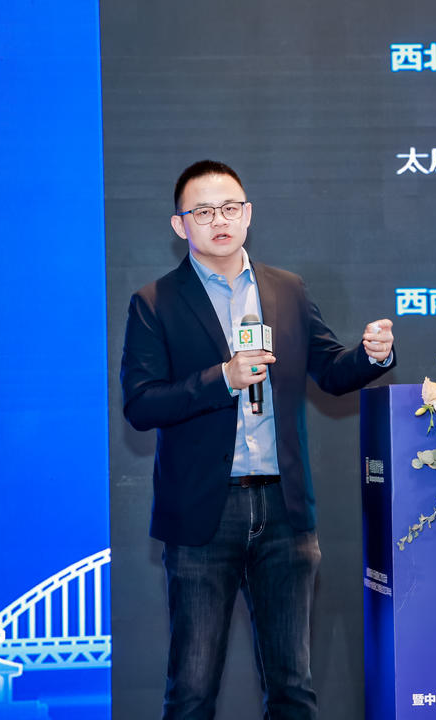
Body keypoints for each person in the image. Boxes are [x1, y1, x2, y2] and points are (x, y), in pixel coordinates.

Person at [120, 160, 395, 719]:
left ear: (248, 214)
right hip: (203, 514)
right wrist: (221, 378)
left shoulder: (286, 289)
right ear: (179, 225)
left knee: (293, 687)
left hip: (283, 509)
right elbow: (141, 405)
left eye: (229, 208)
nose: (218, 220)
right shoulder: (155, 302)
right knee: (192, 689)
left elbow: (330, 371)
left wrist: (371, 356)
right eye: (202, 212)